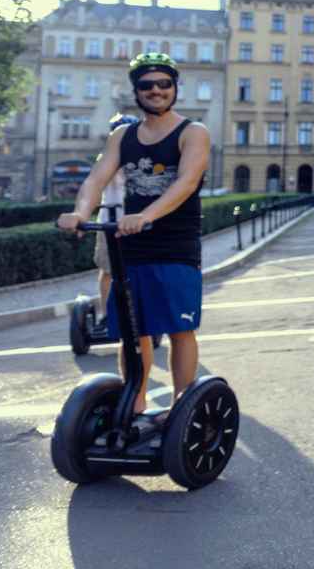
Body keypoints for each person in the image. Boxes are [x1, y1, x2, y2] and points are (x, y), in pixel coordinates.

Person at [58, 52, 210, 418]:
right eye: (147, 85)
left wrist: (146, 214)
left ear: (174, 88)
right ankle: (135, 404)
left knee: (179, 328)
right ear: (136, 91)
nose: (156, 91)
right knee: (133, 330)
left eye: (164, 84)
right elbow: (97, 179)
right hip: (133, 245)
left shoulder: (193, 132)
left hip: (175, 245)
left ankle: (182, 407)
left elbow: (187, 182)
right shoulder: (122, 136)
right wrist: (81, 212)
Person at [89, 113, 140, 324]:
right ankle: (106, 312)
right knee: (108, 269)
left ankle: (135, 311)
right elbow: (96, 184)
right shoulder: (106, 158)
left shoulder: (141, 156)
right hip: (110, 221)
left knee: (137, 270)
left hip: (135, 222)